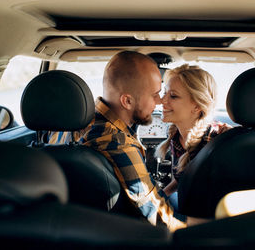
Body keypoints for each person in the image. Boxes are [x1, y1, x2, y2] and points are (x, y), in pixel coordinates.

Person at [49, 51, 186, 231]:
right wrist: (214, 227)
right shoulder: (118, 142)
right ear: (127, 101)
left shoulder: (65, 126)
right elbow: (161, 219)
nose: (160, 101)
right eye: (155, 94)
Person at [155, 64, 232, 209]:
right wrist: (158, 197)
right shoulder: (176, 138)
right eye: (165, 93)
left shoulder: (222, 138)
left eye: (173, 96)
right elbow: (182, 179)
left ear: (197, 106)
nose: (162, 101)